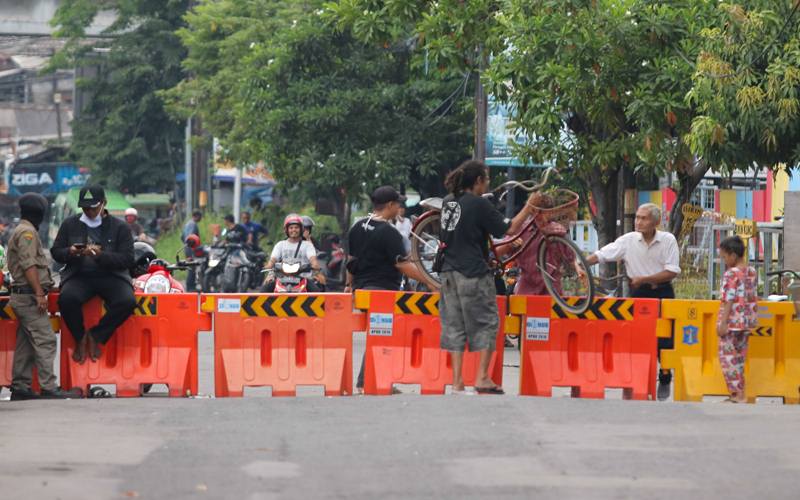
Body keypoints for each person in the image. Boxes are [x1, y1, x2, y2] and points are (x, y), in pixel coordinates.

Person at [438, 161, 540, 395]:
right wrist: (529, 205)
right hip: (472, 271)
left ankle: (457, 382)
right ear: (477, 182)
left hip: (448, 272)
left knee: (455, 325)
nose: (488, 183)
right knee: (487, 323)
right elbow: (510, 229)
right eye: (485, 179)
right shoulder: (478, 204)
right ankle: (482, 377)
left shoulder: (448, 202)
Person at [584, 202, 681, 400]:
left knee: (665, 339)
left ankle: (664, 375)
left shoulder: (668, 240)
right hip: (639, 294)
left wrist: (646, 279)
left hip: (662, 292)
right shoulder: (628, 240)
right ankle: (639, 378)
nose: (638, 222)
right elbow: (603, 254)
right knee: (638, 338)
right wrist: (581, 262)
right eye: (637, 217)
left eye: (644, 218)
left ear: (656, 221)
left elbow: (672, 271)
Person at [345, 186, 436, 393]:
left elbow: (351, 261)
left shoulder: (358, 226)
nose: (400, 208)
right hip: (382, 291)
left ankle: (369, 381)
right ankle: (369, 382)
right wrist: (429, 281)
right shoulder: (389, 232)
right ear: (390, 206)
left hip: (362, 288)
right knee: (382, 336)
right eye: (398, 204)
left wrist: (349, 285)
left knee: (378, 336)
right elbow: (403, 265)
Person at [51, 185, 136, 363]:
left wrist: (101, 256)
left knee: (127, 301)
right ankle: (80, 337)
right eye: (85, 208)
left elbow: (127, 259)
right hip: (80, 276)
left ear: (103, 204)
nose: (89, 211)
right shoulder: (70, 224)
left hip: (111, 276)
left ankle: (96, 336)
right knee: (66, 299)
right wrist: (71, 252)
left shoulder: (120, 227)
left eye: (93, 207)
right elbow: (56, 252)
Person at [6, 193, 72, 400]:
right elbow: (29, 264)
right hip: (28, 297)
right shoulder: (27, 233)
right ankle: (49, 386)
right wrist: (38, 293)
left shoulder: (23, 230)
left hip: (23, 296)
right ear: (40, 214)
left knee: (26, 342)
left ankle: (20, 386)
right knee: (46, 339)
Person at [717, 235, 757, 403]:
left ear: (733, 255)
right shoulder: (751, 271)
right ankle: (740, 393)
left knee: (726, 357)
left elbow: (729, 298)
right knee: (739, 357)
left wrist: (723, 322)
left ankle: (737, 394)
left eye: (724, 257)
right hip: (747, 320)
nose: (724, 260)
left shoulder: (731, 274)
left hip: (732, 321)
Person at [262, 214, 325, 292]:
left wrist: (315, 265)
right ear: (286, 230)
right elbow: (273, 259)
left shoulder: (308, 245)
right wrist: (269, 265)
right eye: (291, 228)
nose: (294, 230)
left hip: (303, 277)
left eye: (296, 227)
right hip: (282, 278)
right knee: (264, 289)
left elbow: (313, 259)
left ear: (301, 229)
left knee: (317, 292)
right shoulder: (280, 244)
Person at [182, 210, 202, 291]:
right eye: (200, 217)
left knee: (191, 267)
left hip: (187, 248)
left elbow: (182, 236)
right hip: (191, 248)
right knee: (192, 267)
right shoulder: (193, 225)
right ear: (197, 216)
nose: (201, 219)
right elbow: (190, 238)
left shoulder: (187, 224)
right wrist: (192, 246)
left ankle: (190, 286)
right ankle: (190, 287)